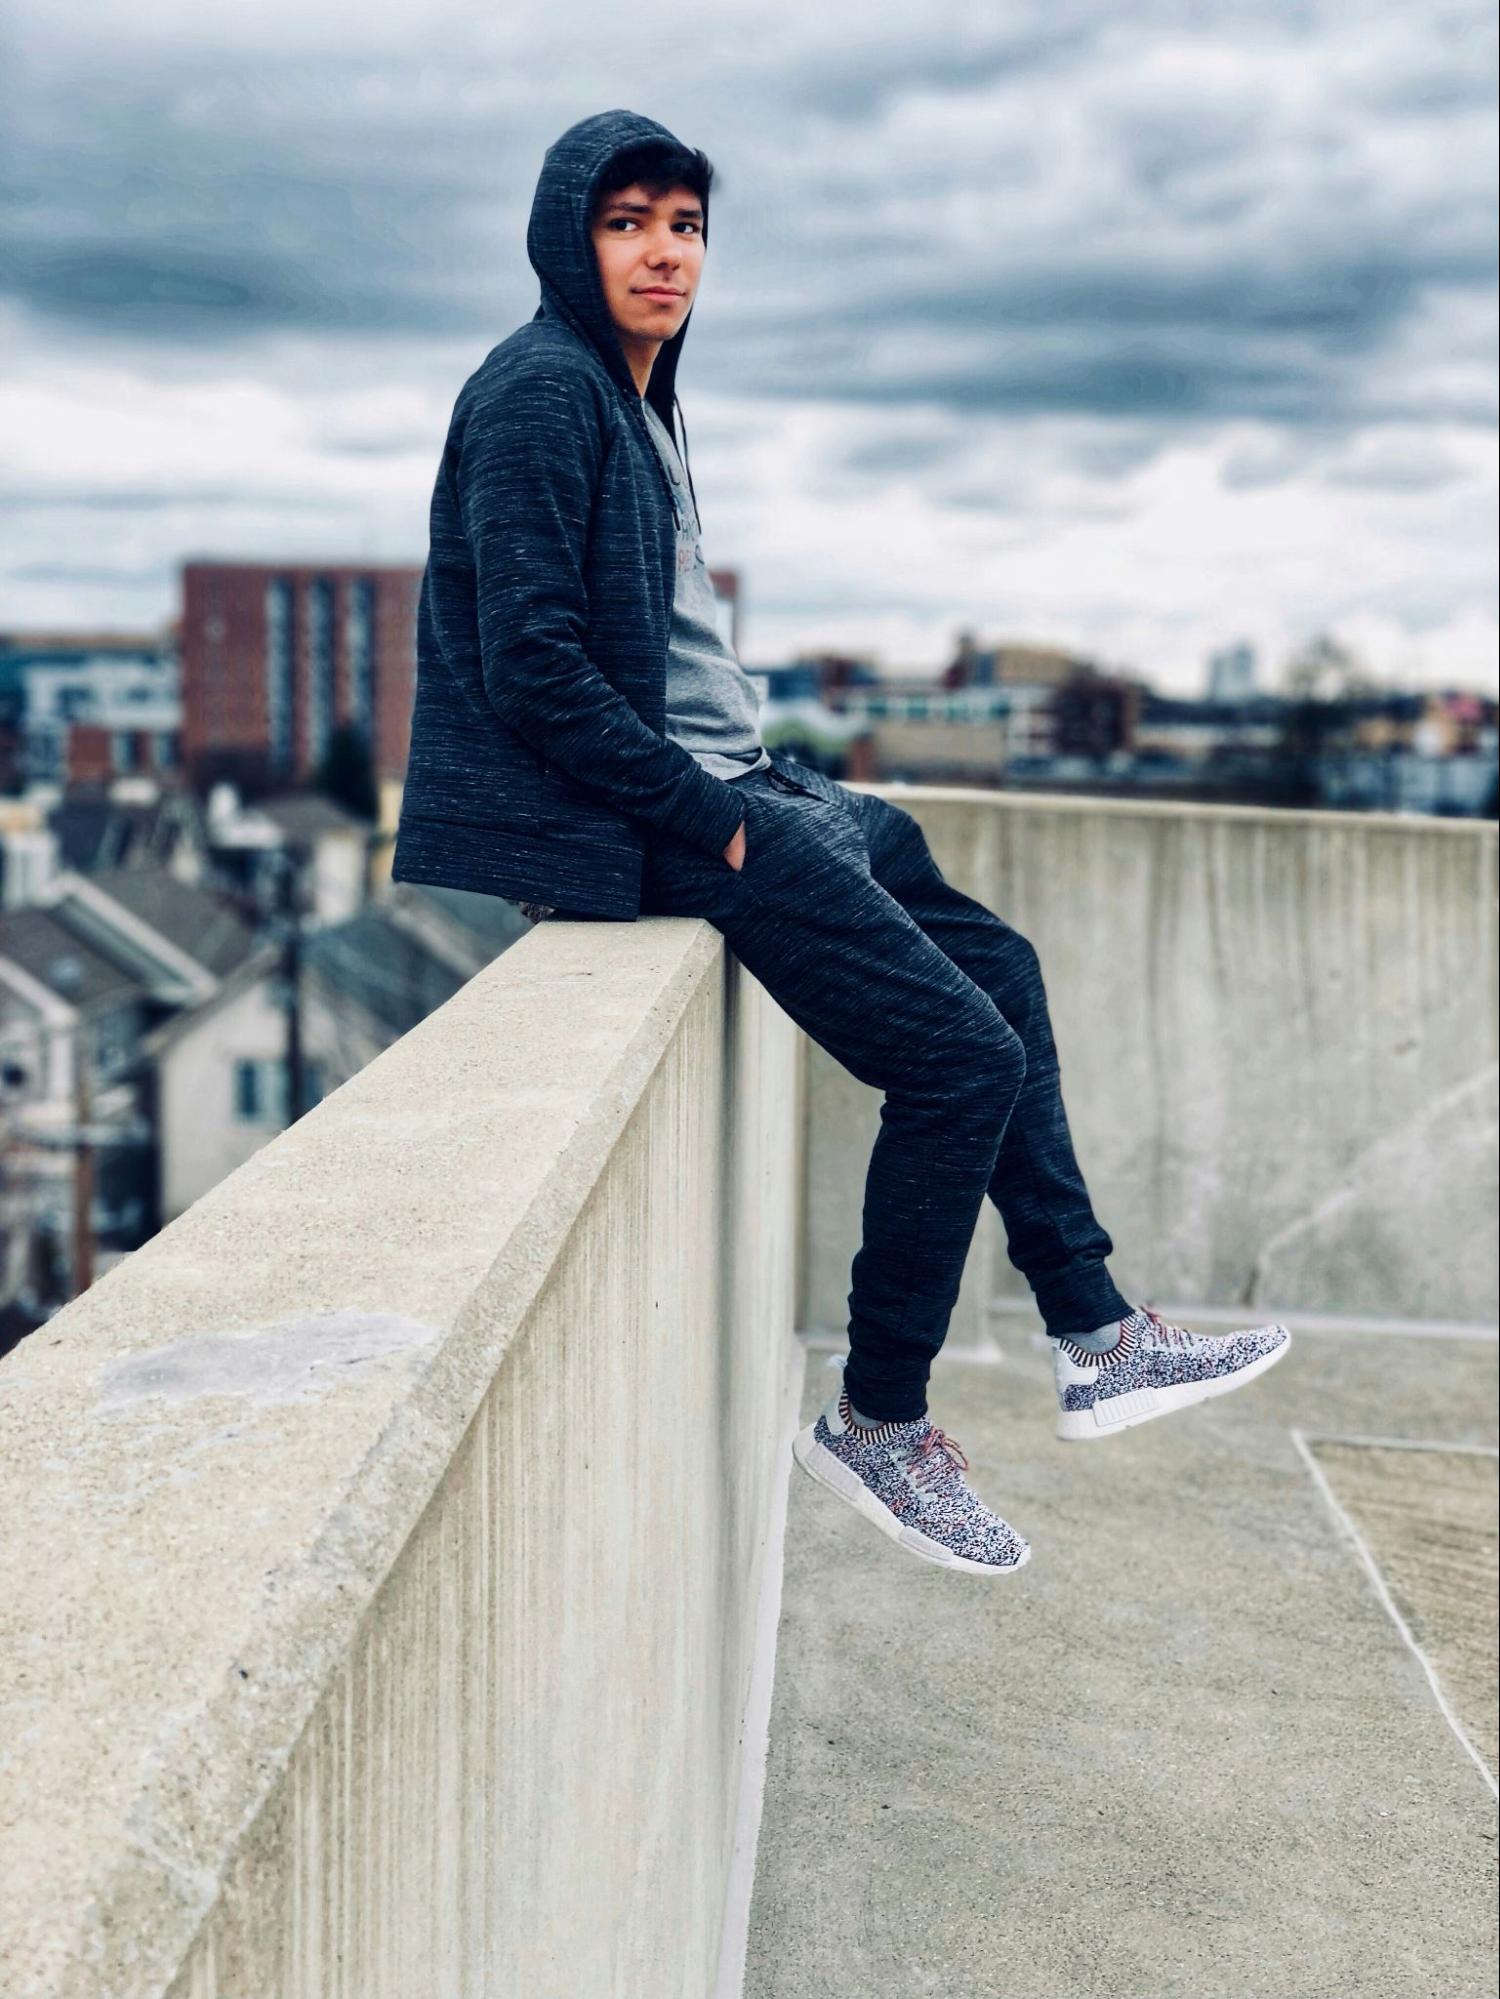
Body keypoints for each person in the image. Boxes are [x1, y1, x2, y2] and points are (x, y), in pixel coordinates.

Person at [391, 109, 1292, 1578]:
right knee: (959, 1058)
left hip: (738, 779)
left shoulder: (642, 394)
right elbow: (534, 668)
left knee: (995, 961)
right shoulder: (540, 393)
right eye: (629, 222)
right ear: (571, 238)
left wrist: (756, 784)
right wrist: (716, 823)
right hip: (652, 820)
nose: (665, 252)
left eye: (686, 224)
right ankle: (880, 1421)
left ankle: (1097, 1333)